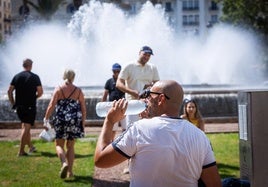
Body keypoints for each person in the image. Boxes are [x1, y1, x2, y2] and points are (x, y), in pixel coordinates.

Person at [94, 80, 222, 187]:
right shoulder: (200, 136)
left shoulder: (139, 129)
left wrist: (110, 120)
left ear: (161, 99)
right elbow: (214, 184)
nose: (146, 99)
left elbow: (101, 160)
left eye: (149, 94)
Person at [44, 69, 86, 179]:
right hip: (73, 121)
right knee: (71, 146)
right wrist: (83, 123)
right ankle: (70, 172)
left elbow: (51, 105)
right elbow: (83, 108)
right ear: (73, 77)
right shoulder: (78, 91)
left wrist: (46, 119)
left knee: (58, 144)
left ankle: (64, 163)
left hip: (60, 120)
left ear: (64, 76)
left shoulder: (58, 89)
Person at [116, 45, 160, 128]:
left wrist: (151, 89)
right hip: (132, 103)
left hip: (147, 103)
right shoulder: (129, 66)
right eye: (145, 54)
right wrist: (132, 92)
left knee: (148, 129)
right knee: (131, 129)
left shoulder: (152, 67)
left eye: (149, 55)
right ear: (139, 53)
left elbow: (158, 85)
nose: (146, 57)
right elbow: (118, 84)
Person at [7, 58, 43, 156]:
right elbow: (40, 92)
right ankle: (21, 151)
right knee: (26, 128)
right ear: (31, 65)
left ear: (23, 65)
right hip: (30, 106)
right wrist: (35, 97)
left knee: (25, 126)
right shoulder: (35, 77)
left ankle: (30, 146)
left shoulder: (17, 76)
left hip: (19, 107)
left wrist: (13, 103)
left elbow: (9, 91)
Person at [101, 63, 126, 138]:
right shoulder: (109, 81)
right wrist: (102, 105)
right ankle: (111, 142)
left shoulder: (124, 81)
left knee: (125, 127)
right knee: (113, 128)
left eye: (118, 71)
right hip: (113, 106)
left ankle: (124, 143)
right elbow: (105, 94)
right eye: (114, 71)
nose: (116, 73)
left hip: (123, 106)